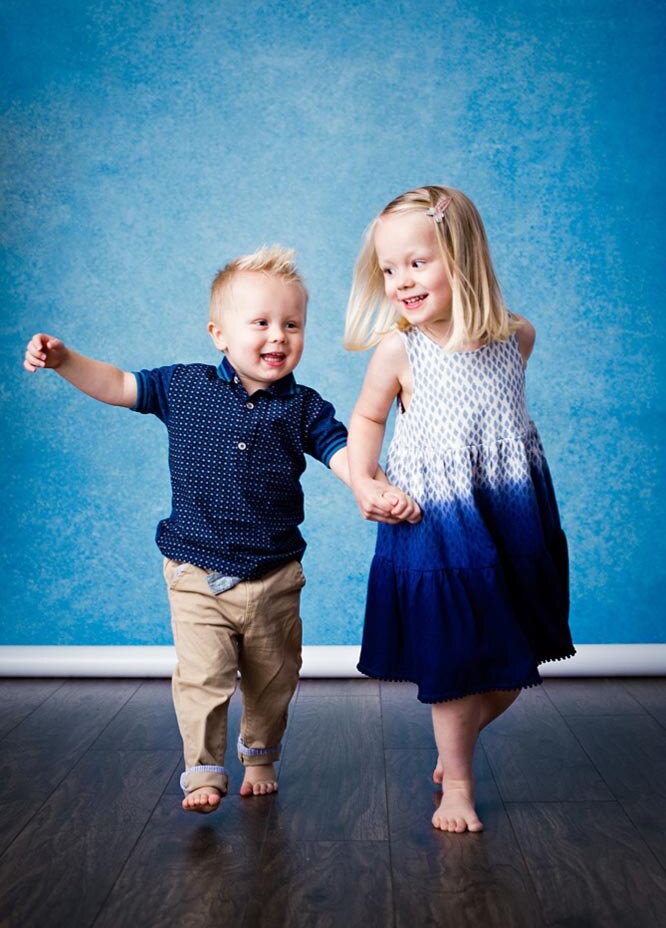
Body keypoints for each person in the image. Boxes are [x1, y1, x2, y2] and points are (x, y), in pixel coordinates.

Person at [24, 245, 419, 815]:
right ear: (219, 333)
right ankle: (203, 770)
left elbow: (341, 451)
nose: (277, 337)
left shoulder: (304, 406)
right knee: (203, 677)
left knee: (273, 679)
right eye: (260, 323)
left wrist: (368, 484)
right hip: (195, 567)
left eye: (292, 325)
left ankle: (259, 754)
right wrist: (66, 360)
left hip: (275, 575)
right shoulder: (181, 388)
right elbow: (116, 383)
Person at [344, 186, 575, 833]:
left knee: (513, 657)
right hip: (435, 521)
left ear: (463, 258)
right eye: (389, 270)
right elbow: (367, 416)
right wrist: (365, 480)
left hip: (509, 513)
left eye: (416, 263)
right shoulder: (400, 351)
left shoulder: (516, 337)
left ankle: (458, 744)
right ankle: (459, 782)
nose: (401, 282)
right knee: (453, 655)